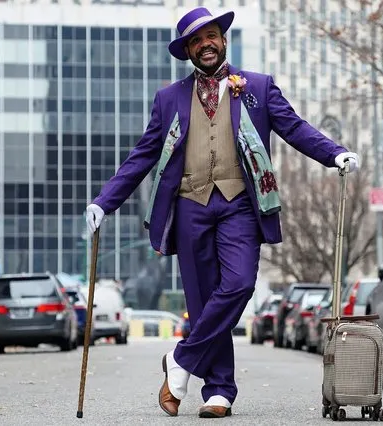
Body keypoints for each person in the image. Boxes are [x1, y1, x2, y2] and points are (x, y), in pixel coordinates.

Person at [84, 6, 360, 419]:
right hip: (189, 206)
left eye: (210, 36)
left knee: (238, 284)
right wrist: (103, 202)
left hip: (240, 206)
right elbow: (141, 157)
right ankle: (219, 390)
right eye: (195, 41)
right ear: (188, 51)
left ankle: (180, 362)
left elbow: (295, 128)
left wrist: (334, 153)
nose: (205, 45)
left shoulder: (257, 87)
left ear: (223, 39)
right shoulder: (168, 99)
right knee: (202, 302)